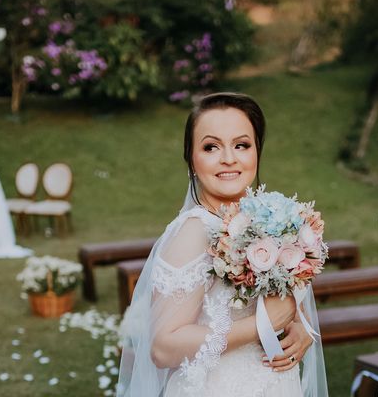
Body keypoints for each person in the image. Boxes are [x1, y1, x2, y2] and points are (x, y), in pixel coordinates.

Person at [117, 92, 328, 396]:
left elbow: (284, 304)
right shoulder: (195, 231)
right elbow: (162, 347)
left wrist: (301, 329)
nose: (229, 158)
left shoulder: (271, 221)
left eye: (241, 145)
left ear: (257, 152)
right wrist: (260, 327)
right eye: (211, 147)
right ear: (191, 159)